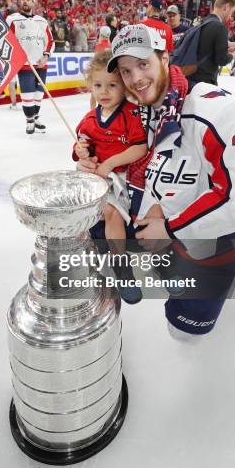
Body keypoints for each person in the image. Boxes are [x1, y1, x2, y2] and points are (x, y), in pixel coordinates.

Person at [78, 24, 235, 339]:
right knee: (94, 227)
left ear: (165, 59)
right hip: (157, 230)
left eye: (143, 64)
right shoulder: (139, 111)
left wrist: (169, 227)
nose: (135, 78)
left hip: (205, 248)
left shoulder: (222, 110)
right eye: (126, 71)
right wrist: (93, 162)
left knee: (185, 333)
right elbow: (130, 162)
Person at [73, 50, 159, 303]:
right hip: (98, 177)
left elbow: (139, 147)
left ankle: (137, 268)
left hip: (125, 176)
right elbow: (81, 149)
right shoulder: (89, 119)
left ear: (124, 87)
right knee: (92, 212)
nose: (104, 92)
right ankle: (110, 264)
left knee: (121, 212)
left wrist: (109, 163)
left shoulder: (130, 114)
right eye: (98, 85)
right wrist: (82, 154)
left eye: (112, 85)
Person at [6, 0, 53, 135]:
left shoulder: (42, 21)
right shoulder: (12, 20)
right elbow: (7, 40)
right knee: (27, 95)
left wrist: (45, 56)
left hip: (41, 63)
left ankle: (36, 118)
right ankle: (30, 121)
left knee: (39, 95)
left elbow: (50, 41)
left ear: (34, 2)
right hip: (25, 65)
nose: (25, 1)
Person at [190, 0, 235, 86]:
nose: (230, 16)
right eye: (232, 11)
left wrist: (226, 44)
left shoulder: (203, 21)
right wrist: (234, 55)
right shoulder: (220, 27)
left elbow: (205, 44)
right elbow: (222, 60)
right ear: (225, 7)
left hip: (191, 77)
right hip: (205, 81)